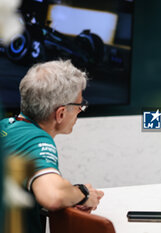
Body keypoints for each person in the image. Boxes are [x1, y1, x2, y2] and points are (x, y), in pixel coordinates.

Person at [0, 60, 104, 233]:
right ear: (61, 113)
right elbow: (53, 195)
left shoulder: (6, 126)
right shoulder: (37, 141)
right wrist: (84, 193)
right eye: (79, 106)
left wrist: (71, 198)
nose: (80, 110)